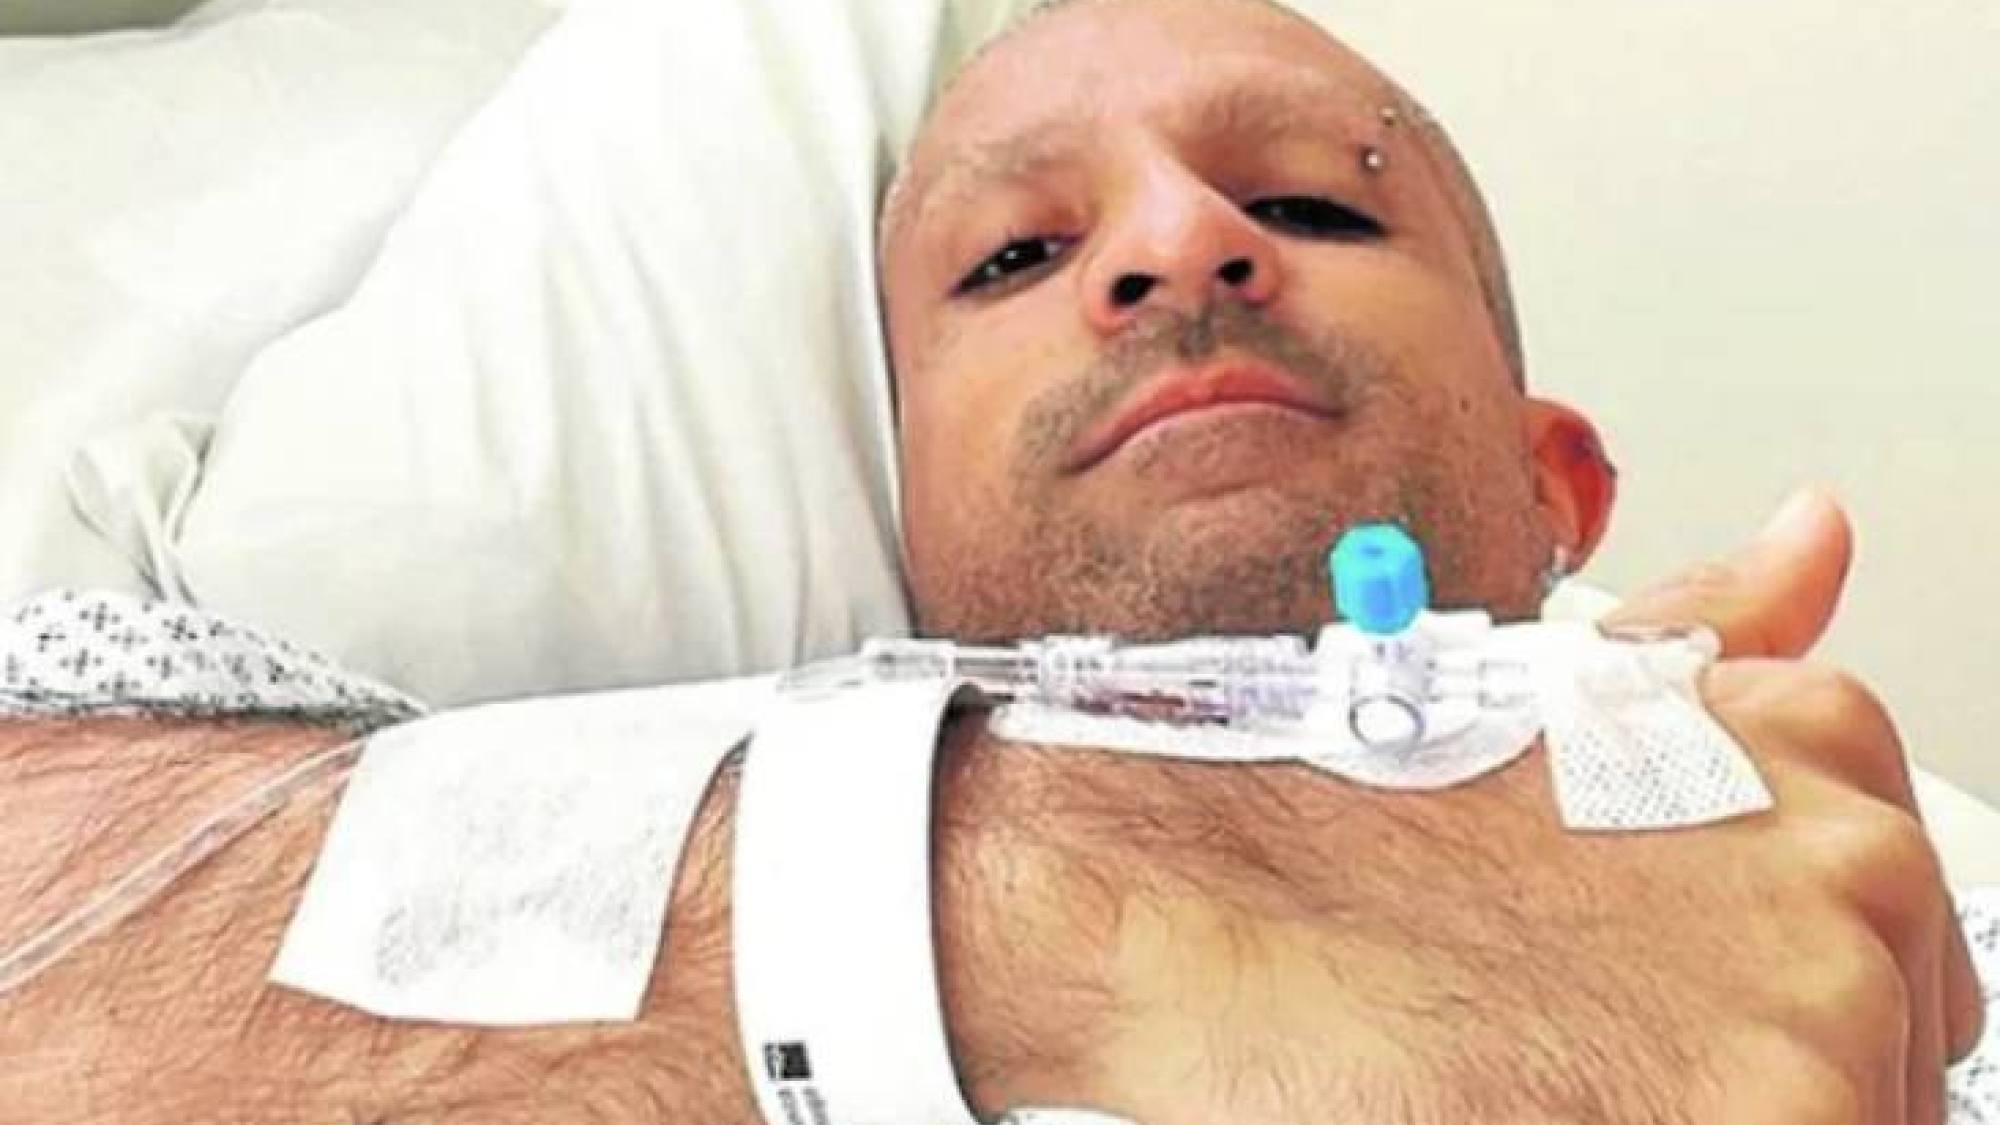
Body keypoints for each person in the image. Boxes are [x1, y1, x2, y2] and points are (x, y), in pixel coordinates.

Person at [0, 0, 1984, 1121]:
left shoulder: (1855, 864)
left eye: (1313, 203)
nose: (1180, 246)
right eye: (1017, 255)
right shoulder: (546, 790)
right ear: (901, 502)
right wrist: (1068, 902)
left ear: (1559, 487)